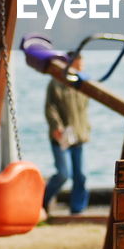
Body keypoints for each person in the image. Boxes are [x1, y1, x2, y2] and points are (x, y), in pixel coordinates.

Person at [43, 56, 91, 214]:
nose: (83, 64)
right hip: (61, 138)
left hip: (78, 137)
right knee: (64, 174)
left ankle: (77, 210)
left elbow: (83, 111)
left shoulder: (82, 84)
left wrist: (86, 129)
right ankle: (42, 200)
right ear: (71, 62)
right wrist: (56, 126)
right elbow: (50, 107)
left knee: (81, 175)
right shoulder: (56, 83)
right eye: (80, 61)